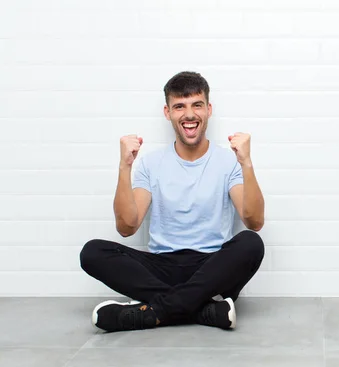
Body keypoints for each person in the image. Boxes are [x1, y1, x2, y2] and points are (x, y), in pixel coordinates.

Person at [79, 71, 265, 333]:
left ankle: (155, 311)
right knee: (92, 252)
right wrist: (125, 166)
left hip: (213, 268)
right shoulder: (150, 164)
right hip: (162, 267)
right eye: (180, 106)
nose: (189, 115)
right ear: (167, 112)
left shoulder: (228, 162)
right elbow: (127, 227)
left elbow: (254, 221)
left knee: (250, 243)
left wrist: (246, 162)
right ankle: (204, 310)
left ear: (208, 109)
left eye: (196, 105)